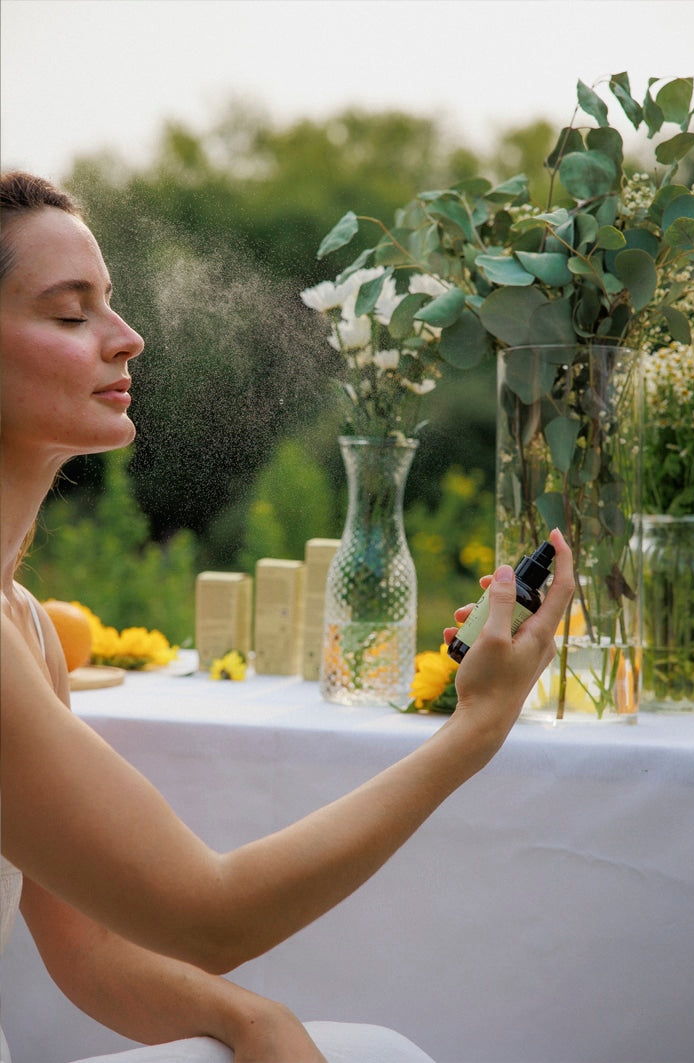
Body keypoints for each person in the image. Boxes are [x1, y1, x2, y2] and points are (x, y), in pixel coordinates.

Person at [0, 170, 575, 1063]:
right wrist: (475, 726)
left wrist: (250, 1019)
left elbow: (92, 949)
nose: (127, 338)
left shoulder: (26, 625)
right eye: (72, 315)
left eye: (110, 304)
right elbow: (209, 912)